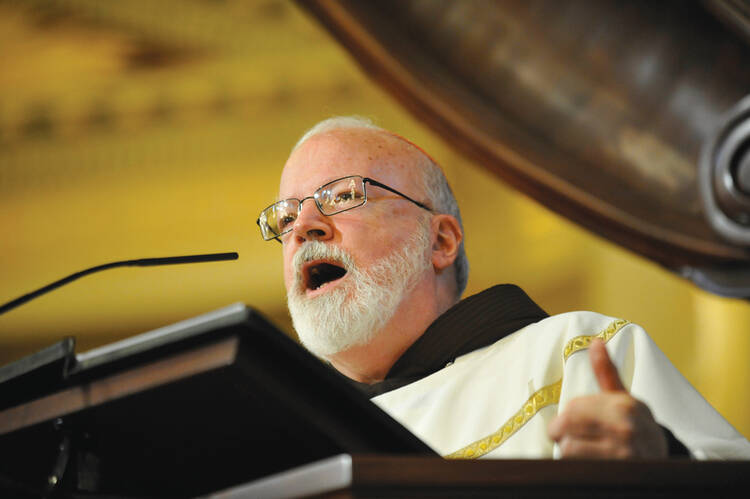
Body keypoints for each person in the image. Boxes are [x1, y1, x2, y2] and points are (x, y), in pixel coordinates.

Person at [257, 116, 750, 459]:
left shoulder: (570, 355)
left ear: (442, 241)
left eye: (342, 195)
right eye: (285, 217)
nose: (303, 227)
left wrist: (664, 463)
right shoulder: (291, 443)